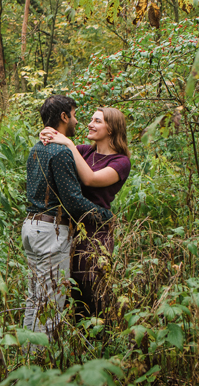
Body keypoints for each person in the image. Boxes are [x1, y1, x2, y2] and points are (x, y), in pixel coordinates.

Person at [22, 95, 114, 338]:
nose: (76, 121)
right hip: (49, 232)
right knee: (51, 302)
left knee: (35, 298)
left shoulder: (37, 147)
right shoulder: (61, 153)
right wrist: (104, 215)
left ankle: (27, 356)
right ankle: (40, 367)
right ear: (64, 117)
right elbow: (73, 201)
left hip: (31, 228)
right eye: (73, 115)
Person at [39, 107, 131, 320]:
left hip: (95, 231)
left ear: (111, 129)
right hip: (70, 229)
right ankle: (76, 345)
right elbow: (56, 144)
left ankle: (100, 342)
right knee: (70, 291)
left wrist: (68, 144)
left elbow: (91, 179)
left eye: (97, 121)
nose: (90, 124)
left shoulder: (120, 161)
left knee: (92, 291)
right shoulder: (84, 151)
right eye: (91, 119)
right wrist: (46, 134)